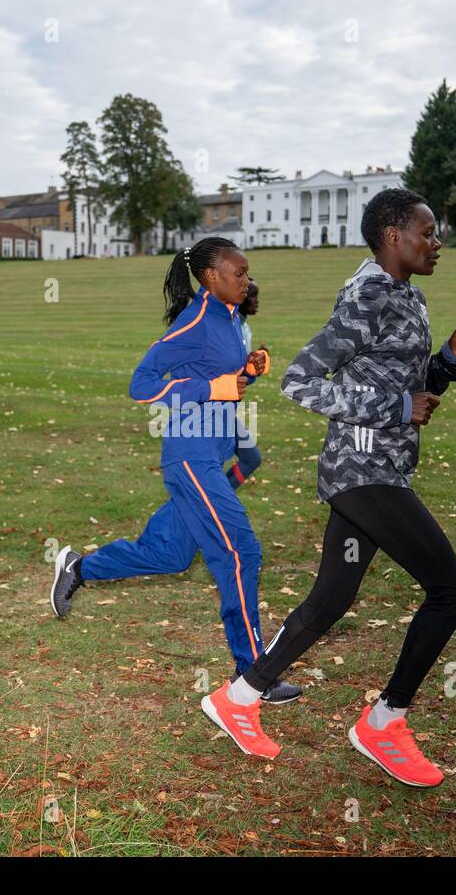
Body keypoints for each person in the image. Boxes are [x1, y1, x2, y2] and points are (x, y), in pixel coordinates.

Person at [200, 188, 456, 786]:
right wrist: (394, 407)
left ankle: (239, 698)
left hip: (383, 467)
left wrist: (448, 360)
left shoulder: (409, 294)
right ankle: (384, 723)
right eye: (427, 233)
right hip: (361, 469)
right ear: (391, 235)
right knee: (451, 590)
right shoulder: (367, 296)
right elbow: (300, 381)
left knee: (330, 601)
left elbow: (413, 385)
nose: (438, 243)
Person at [49, 237, 300, 703]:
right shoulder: (198, 319)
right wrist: (214, 386)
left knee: (170, 556)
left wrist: (247, 370)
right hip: (190, 454)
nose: (246, 280)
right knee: (240, 551)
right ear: (210, 277)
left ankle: (80, 568)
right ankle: (253, 675)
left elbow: (221, 378)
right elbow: (141, 384)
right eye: (238, 273)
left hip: (213, 451)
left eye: (247, 272)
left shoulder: (228, 317)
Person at [226, 280, 264, 490]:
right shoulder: (230, 328)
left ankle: (215, 502)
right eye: (252, 295)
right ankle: (214, 503)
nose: (256, 301)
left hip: (228, 409)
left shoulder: (244, 327)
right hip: (214, 410)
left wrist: (254, 367)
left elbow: (242, 376)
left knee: (251, 458)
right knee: (251, 457)